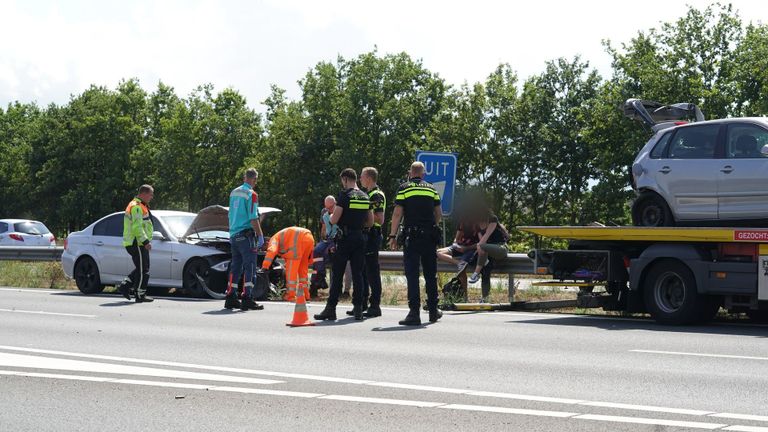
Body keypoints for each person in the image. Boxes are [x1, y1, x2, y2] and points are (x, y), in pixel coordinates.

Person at [314, 168, 373, 321]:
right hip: (360, 237)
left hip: (345, 239)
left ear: (346, 179)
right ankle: (358, 308)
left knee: (338, 273)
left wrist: (330, 215)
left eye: (342, 180)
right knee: (358, 274)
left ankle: (331, 309)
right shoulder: (365, 196)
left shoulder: (345, 196)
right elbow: (371, 221)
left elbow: (334, 220)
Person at [388, 162, 443, 325]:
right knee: (430, 275)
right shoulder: (432, 189)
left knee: (412, 275)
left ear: (411, 173)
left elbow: (398, 213)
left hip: (412, 237)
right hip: (429, 238)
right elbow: (438, 213)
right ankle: (433, 311)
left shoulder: (404, 188)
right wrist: (432, 225)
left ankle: (414, 313)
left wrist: (393, 235)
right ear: (423, 174)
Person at [346, 167, 386, 318]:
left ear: (368, 178)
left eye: (361, 177)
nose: (359, 180)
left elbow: (380, 219)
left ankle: (375, 306)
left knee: (372, 272)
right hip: (365, 236)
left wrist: (362, 215)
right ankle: (362, 303)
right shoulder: (367, 194)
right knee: (362, 270)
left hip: (372, 236)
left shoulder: (376, 195)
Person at [225, 168, 265, 311]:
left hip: (234, 235)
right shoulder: (251, 194)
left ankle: (231, 297)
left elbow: (231, 214)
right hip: (246, 236)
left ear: (244, 177)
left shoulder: (234, 192)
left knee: (235, 267)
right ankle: (247, 297)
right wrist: (260, 235)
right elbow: (253, 218)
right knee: (250, 267)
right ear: (254, 179)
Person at [116, 185, 155, 303]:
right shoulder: (136, 207)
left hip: (136, 242)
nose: (152, 197)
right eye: (150, 194)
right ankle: (139, 294)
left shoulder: (140, 205)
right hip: (137, 242)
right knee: (144, 270)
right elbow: (137, 227)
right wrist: (145, 241)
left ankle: (125, 286)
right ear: (143, 193)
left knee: (141, 268)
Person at [261, 226, 315, 311]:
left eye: (264, 248)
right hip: (309, 237)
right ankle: (305, 295)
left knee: (291, 273)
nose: (265, 250)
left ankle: (291, 296)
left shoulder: (273, 239)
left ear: (267, 242)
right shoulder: (282, 237)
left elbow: (272, 250)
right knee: (303, 272)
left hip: (297, 244)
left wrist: (265, 266)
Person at [436, 216, 480, 301]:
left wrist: (466, 248)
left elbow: (480, 243)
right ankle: (458, 262)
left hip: (471, 249)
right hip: (459, 247)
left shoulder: (477, 224)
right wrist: (456, 245)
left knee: (462, 270)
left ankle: (465, 297)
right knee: (436, 253)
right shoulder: (462, 222)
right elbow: (456, 239)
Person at [467, 208, 510, 288]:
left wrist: (480, 247)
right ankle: (484, 298)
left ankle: (475, 274)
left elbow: (484, 238)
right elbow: (482, 242)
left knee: (481, 246)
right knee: (485, 272)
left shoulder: (493, 219)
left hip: (500, 247)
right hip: (486, 252)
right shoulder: (477, 225)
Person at [309, 196, 337, 296]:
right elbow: (324, 229)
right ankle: (320, 278)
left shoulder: (340, 213)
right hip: (328, 239)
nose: (328, 209)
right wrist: (322, 239)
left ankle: (317, 281)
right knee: (316, 251)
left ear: (335, 204)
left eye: (330, 207)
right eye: (326, 207)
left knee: (327, 253)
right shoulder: (325, 214)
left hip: (337, 239)